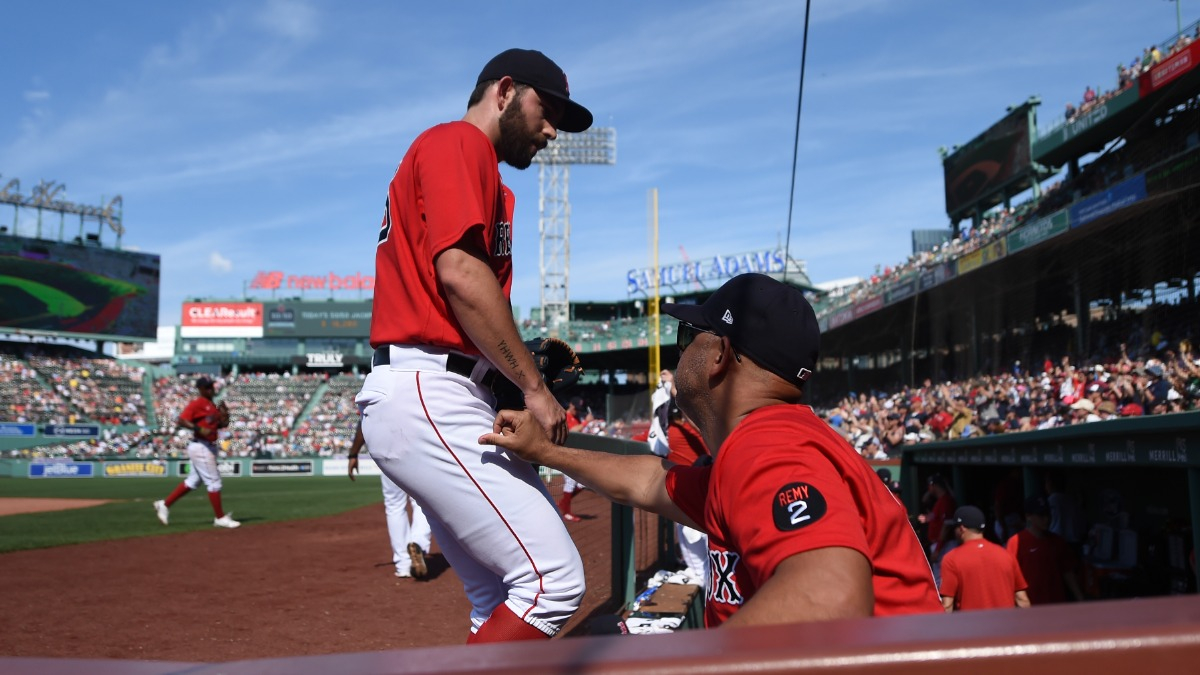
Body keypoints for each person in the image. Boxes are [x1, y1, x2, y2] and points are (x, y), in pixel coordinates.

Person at [481, 273, 942, 627]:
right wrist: (546, 450)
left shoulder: (767, 445)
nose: (678, 354)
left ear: (719, 355)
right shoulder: (775, 438)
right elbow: (650, 481)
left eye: (687, 339)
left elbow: (831, 597)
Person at [354, 48, 593, 644]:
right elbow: (460, 274)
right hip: (429, 388)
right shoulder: (458, 143)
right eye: (548, 109)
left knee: (495, 598)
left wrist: (508, 369)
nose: (552, 130)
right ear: (505, 91)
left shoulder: (483, 175)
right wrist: (534, 387)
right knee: (552, 582)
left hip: (443, 387)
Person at [348, 420, 432, 579]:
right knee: (422, 502)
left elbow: (364, 421)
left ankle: (403, 565)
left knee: (395, 506)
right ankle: (418, 543)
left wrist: (353, 453)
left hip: (387, 450)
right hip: (417, 449)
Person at [153, 377, 240, 529]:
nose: (210, 389)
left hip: (207, 445)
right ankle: (220, 517)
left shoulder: (211, 405)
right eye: (206, 387)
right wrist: (199, 429)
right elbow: (182, 420)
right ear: (200, 389)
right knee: (214, 482)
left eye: (211, 386)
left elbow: (218, 425)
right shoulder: (198, 403)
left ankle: (164, 505)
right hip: (201, 446)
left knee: (193, 481)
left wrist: (226, 417)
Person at [939, 506, 1030, 612]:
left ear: (962, 528)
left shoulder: (951, 559)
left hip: (973, 626)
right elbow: (1022, 599)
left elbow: (947, 605)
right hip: (1006, 626)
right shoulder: (1006, 555)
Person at [1006, 496, 1084, 606]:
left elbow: (1068, 573)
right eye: (1041, 515)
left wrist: (1080, 598)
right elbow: (1010, 578)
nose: (1046, 519)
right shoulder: (1016, 542)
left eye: (1048, 514)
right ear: (1028, 516)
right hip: (1030, 607)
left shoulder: (1058, 541)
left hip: (1056, 605)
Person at [557, 396, 593, 522]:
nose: (577, 410)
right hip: (565, 454)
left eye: (579, 409)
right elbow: (571, 431)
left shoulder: (577, 417)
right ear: (571, 405)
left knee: (582, 484)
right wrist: (586, 422)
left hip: (575, 455)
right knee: (571, 482)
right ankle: (566, 512)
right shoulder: (565, 415)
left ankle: (563, 503)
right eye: (576, 408)